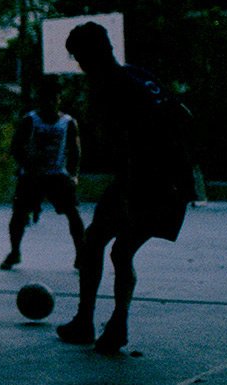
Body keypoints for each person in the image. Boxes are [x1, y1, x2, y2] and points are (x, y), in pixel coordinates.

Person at [55, 22, 193, 354]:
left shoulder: (110, 87)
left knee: (104, 245)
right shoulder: (137, 73)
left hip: (146, 178)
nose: (79, 65)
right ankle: (104, 324)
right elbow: (184, 115)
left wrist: (132, 193)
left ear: (91, 55)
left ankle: (95, 323)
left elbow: (127, 145)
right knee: (111, 246)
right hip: (170, 177)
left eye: (79, 57)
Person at [2, 80, 85, 269]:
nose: (49, 103)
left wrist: (73, 175)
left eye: (53, 99)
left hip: (57, 174)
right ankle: (15, 252)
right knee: (18, 215)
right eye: (45, 99)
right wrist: (27, 165)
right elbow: (16, 147)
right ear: (39, 101)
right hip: (32, 176)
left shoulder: (68, 122)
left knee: (73, 214)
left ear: (59, 100)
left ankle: (81, 254)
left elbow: (75, 151)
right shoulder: (30, 120)